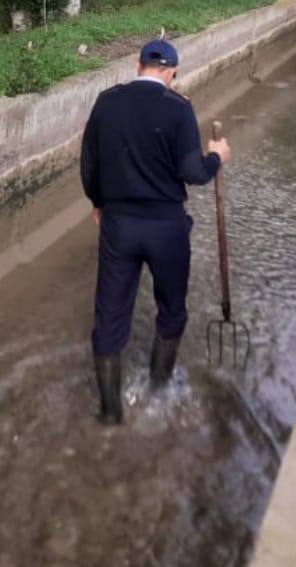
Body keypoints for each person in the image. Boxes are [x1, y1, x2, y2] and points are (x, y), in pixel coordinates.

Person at [79, 39, 232, 425]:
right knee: (172, 308)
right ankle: (159, 390)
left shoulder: (106, 102)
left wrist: (99, 203)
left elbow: (89, 165)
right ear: (173, 72)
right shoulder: (178, 109)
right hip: (166, 227)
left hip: (119, 225)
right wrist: (217, 157)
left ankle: (110, 413)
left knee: (110, 316)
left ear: (137, 65)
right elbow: (193, 173)